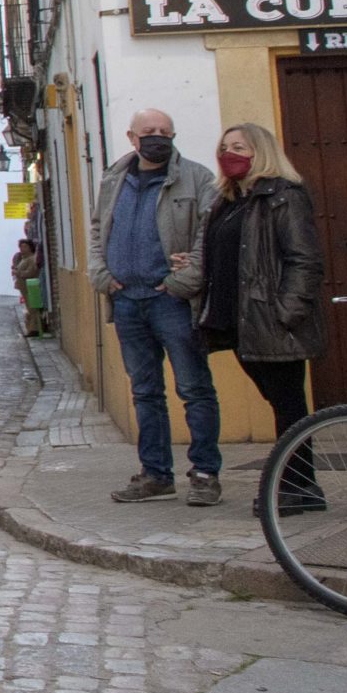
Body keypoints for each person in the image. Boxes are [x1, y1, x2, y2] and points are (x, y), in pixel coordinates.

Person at [89, 108, 222, 505]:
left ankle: (204, 474)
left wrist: (181, 282)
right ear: (132, 137)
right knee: (145, 393)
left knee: (194, 388)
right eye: (149, 132)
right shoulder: (114, 178)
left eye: (165, 131)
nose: (157, 137)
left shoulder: (197, 179)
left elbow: (207, 236)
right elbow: (98, 229)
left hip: (173, 302)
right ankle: (155, 474)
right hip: (127, 301)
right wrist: (101, 276)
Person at [198, 122, 328, 516]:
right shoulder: (227, 200)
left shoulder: (283, 196)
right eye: (224, 146)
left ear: (261, 151)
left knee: (288, 405)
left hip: (271, 321)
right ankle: (302, 484)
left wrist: (285, 312)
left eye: (239, 146)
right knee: (280, 403)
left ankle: (295, 486)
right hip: (239, 321)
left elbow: (304, 259)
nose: (229, 153)